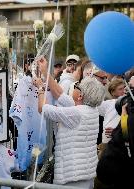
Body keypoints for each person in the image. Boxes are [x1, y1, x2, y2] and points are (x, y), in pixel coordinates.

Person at [34, 57, 105, 188]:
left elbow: (42, 109)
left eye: (78, 86)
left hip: (73, 178)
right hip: (85, 174)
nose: (75, 86)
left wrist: (40, 88)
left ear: (80, 96)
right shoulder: (91, 109)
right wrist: (45, 72)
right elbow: (59, 94)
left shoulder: (77, 113)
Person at [97, 79, 125, 158]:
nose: (124, 91)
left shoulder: (129, 103)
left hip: (121, 142)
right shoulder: (108, 104)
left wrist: (117, 131)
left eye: (124, 88)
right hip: (107, 141)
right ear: (113, 92)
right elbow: (96, 104)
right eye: (120, 89)